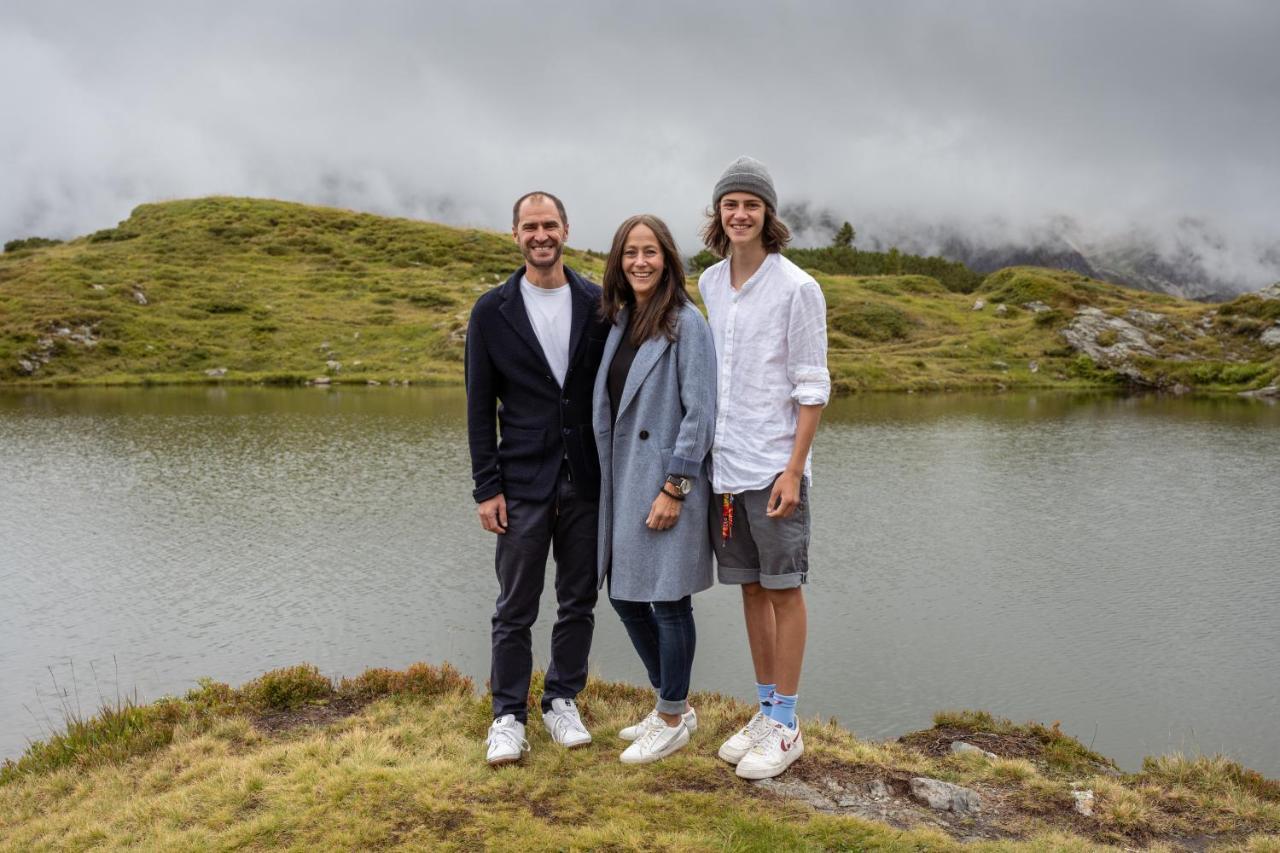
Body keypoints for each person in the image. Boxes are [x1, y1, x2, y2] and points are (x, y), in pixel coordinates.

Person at [465, 191, 610, 766]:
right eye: (531, 226)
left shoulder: (600, 304)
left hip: (584, 480)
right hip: (521, 482)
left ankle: (561, 702)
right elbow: (479, 410)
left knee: (578, 599)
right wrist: (486, 488)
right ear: (516, 235)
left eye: (550, 224)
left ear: (566, 230)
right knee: (514, 606)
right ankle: (508, 716)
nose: (541, 234)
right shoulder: (491, 310)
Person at [698, 157, 830, 780]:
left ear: (768, 216)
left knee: (784, 589)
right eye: (731, 204)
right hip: (727, 468)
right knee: (750, 588)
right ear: (718, 215)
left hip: (775, 466)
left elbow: (813, 388)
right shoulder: (710, 283)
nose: (741, 214)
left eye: (752, 205)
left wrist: (793, 470)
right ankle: (764, 708)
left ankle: (787, 724)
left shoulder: (798, 287)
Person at [591, 214, 718, 764]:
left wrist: (676, 486)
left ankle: (671, 715)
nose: (639, 262)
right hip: (622, 481)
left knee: (668, 601)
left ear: (668, 259)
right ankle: (673, 702)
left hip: (666, 482)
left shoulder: (687, 323)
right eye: (629, 253)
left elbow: (701, 412)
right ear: (619, 262)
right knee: (624, 594)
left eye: (650, 252)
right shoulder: (621, 320)